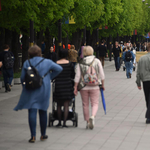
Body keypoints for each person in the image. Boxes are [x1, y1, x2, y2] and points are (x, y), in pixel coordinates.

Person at [14, 45, 62, 143]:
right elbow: (59, 68)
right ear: (40, 52)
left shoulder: (27, 62)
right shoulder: (47, 62)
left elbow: (22, 77)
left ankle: (33, 136)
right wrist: (49, 77)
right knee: (43, 110)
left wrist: (25, 85)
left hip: (31, 88)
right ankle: (43, 134)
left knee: (32, 110)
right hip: (44, 88)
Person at [74, 46, 105, 130]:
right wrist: (102, 84)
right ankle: (93, 116)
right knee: (95, 103)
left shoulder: (80, 62)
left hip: (84, 86)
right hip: (95, 86)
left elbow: (77, 76)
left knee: (85, 104)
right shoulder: (97, 61)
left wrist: (75, 87)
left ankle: (87, 121)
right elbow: (102, 74)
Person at [54, 49, 75, 128]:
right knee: (66, 105)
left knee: (59, 105)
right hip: (67, 85)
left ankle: (59, 122)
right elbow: (72, 74)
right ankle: (64, 123)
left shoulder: (56, 63)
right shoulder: (70, 64)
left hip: (58, 85)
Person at [136, 42, 150, 124]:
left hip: (145, 80)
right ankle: (148, 116)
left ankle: (149, 115)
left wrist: (138, 82)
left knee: (147, 98)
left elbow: (138, 71)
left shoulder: (142, 58)